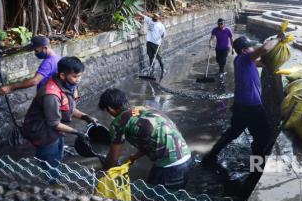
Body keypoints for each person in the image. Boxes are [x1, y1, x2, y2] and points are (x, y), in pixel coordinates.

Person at [202, 35, 284, 166]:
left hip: (241, 106)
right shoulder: (245, 59)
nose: (253, 48)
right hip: (252, 108)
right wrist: (279, 39)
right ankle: (257, 168)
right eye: (251, 46)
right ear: (244, 50)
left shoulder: (241, 60)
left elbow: (263, 61)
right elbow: (264, 50)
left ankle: (210, 157)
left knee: (232, 133)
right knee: (262, 136)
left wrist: (276, 51)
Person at [99, 88, 192, 190]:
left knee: (153, 200)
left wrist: (102, 173)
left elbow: (113, 158)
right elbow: (151, 138)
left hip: (170, 165)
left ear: (110, 108)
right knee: (172, 198)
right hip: (186, 157)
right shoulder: (143, 108)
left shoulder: (118, 123)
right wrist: (134, 157)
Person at [22, 56, 96, 182]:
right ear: (62, 75)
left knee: (57, 156)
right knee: (50, 161)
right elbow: (54, 123)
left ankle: (53, 175)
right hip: (42, 132)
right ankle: (52, 188)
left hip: (55, 129)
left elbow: (69, 109)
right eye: (75, 76)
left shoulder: (67, 85)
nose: (78, 80)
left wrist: (85, 117)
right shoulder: (51, 94)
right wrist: (77, 132)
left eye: (80, 76)